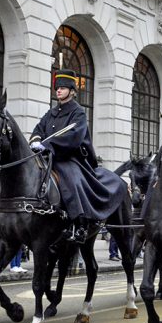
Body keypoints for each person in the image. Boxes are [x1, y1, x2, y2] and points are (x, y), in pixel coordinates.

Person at [29, 69, 127, 243]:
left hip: (71, 158)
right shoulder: (51, 113)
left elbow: (73, 137)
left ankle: (79, 223)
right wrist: (36, 141)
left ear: (72, 90)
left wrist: (47, 145)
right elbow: (38, 129)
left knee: (71, 178)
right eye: (57, 87)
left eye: (63, 87)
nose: (58, 90)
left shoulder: (78, 112)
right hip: (48, 157)